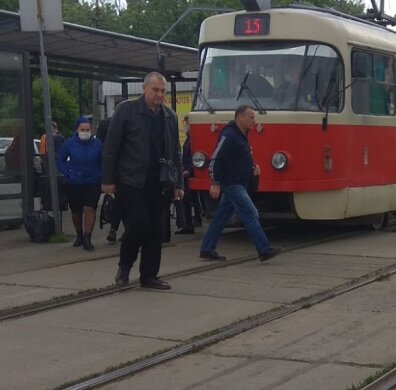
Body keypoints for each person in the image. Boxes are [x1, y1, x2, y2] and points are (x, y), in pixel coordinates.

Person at [102, 72, 183, 290]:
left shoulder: (169, 116)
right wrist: (107, 179)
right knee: (139, 223)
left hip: (160, 181)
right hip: (131, 179)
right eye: (155, 90)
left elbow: (176, 152)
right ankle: (125, 266)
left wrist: (178, 185)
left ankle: (149, 276)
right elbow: (111, 147)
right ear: (144, 89)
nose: (159, 94)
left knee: (156, 229)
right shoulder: (126, 111)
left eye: (163, 91)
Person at [199, 105, 280, 262]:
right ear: (240, 117)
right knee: (250, 213)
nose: (254, 121)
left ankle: (207, 248)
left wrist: (252, 168)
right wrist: (214, 182)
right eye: (251, 117)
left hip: (239, 182)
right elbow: (215, 158)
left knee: (221, 217)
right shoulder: (229, 135)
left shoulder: (241, 135)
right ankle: (264, 249)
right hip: (232, 183)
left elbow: (239, 157)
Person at [56, 117, 103, 251]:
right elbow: (60, 159)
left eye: (87, 130)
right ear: (77, 130)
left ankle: (88, 238)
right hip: (74, 182)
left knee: (90, 208)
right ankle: (79, 234)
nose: (85, 132)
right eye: (82, 130)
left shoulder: (97, 144)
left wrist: (102, 175)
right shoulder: (69, 144)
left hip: (93, 181)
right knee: (76, 210)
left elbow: (103, 160)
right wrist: (67, 172)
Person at [96, 116, 122, 244]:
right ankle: (123, 229)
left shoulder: (105, 123)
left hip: (114, 169)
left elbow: (100, 145)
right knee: (126, 202)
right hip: (126, 169)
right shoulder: (131, 121)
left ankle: (114, 228)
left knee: (119, 201)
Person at [174, 115, 200, 234]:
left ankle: (188, 224)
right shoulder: (189, 138)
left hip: (188, 173)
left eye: (187, 123)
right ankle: (189, 222)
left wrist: (188, 171)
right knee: (188, 200)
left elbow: (194, 158)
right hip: (187, 172)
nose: (186, 126)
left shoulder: (193, 139)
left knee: (187, 200)